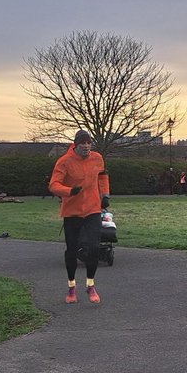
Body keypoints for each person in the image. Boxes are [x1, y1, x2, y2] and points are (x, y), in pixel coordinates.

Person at [49, 129, 110, 305]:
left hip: (92, 209)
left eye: (88, 143)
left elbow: (103, 176)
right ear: (75, 145)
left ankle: (90, 285)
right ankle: (71, 287)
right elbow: (53, 185)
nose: (86, 146)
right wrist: (69, 191)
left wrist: (105, 194)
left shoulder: (97, 158)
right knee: (72, 250)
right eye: (82, 143)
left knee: (94, 247)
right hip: (72, 211)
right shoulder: (64, 162)